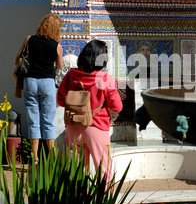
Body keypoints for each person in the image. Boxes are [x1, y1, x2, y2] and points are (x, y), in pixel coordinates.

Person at [57, 39, 123, 180]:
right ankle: (103, 200)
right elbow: (117, 106)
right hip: (97, 126)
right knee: (104, 169)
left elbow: (60, 100)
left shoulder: (70, 76)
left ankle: (80, 200)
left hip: (74, 126)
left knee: (76, 172)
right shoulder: (104, 79)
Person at [15, 13, 63, 163]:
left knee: (33, 121)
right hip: (47, 83)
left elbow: (17, 59)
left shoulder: (29, 39)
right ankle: (51, 157)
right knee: (48, 121)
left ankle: (35, 157)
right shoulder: (57, 46)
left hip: (30, 82)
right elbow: (60, 66)